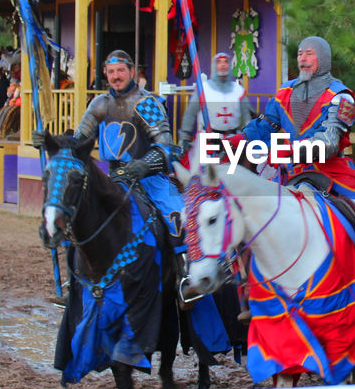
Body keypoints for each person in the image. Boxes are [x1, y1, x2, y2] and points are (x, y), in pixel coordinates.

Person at [241, 36, 355, 309]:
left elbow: (328, 143)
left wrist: (283, 150)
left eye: (310, 54)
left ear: (323, 59)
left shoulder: (341, 96)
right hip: (289, 175)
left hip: (332, 172)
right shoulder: (284, 92)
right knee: (248, 218)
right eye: (301, 54)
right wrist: (237, 141)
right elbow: (264, 126)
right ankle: (251, 291)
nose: (302, 59)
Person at [34, 50, 186, 290]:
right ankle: (77, 280)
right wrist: (49, 141)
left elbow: (166, 147)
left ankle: (183, 275)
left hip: (149, 177)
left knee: (176, 214)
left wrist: (144, 165)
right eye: (112, 72)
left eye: (121, 71)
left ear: (132, 72)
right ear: (105, 74)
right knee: (77, 213)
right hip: (113, 177)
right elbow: (77, 142)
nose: (116, 76)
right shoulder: (99, 104)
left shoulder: (146, 102)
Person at [179, 52, 255, 153]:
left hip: (233, 139)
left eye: (226, 62)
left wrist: (251, 135)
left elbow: (247, 117)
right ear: (214, 66)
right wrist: (185, 137)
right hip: (207, 139)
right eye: (219, 62)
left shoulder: (239, 90)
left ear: (230, 66)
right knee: (196, 167)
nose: (223, 65)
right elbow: (190, 114)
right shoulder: (203, 89)